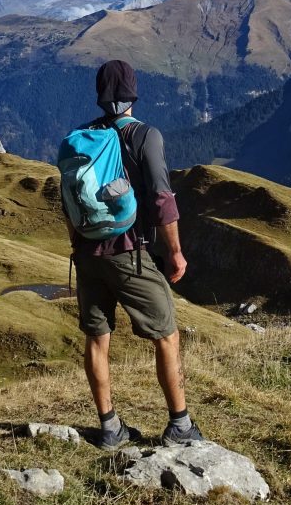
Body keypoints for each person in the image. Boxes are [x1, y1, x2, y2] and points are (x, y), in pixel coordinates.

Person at [65, 59, 204, 449]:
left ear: (99, 94)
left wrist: (79, 246)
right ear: (133, 93)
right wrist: (175, 252)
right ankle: (179, 425)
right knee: (166, 335)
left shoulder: (82, 138)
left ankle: (110, 429)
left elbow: (68, 201)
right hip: (131, 252)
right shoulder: (146, 136)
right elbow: (162, 200)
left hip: (88, 253)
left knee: (97, 337)